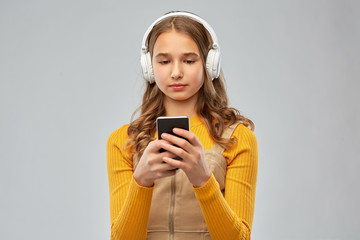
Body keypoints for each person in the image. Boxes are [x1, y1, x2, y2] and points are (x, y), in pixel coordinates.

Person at [107, 11, 258, 240]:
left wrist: (203, 179)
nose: (176, 72)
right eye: (164, 61)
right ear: (149, 67)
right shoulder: (122, 141)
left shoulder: (237, 138)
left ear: (209, 64)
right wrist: (142, 180)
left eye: (189, 60)